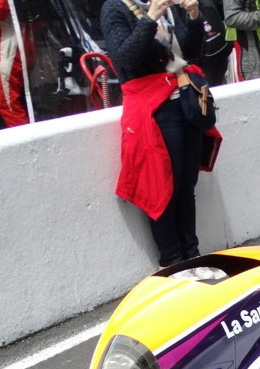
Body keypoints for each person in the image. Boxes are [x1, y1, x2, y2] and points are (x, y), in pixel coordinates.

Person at [101, 0, 208, 267]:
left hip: (185, 99)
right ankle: (172, 261)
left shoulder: (167, 5)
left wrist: (193, 16)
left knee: (187, 185)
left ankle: (193, 254)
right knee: (163, 187)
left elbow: (191, 52)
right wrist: (150, 18)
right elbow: (125, 59)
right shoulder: (115, 7)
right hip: (155, 108)